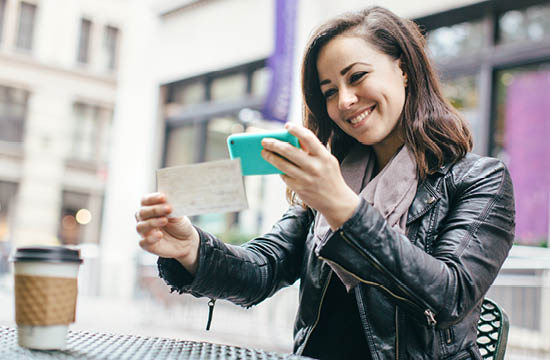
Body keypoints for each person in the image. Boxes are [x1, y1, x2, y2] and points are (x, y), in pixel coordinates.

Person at [135, 6, 515, 360]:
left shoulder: (480, 180)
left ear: (403, 69)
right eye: (330, 91)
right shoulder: (333, 175)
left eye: (357, 76)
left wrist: (343, 208)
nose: (345, 101)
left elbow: (450, 297)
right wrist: (192, 248)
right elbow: (265, 268)